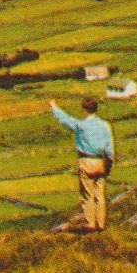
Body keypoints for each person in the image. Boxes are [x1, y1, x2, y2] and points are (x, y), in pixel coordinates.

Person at [51, 97, 114, 231]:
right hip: (101, 161)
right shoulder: (105, 125)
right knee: (100, 195)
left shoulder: (82, 125)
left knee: (87, 194)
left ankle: (90, 224)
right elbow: (110, 148)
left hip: (86, 161)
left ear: (84, 110)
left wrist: (54, 108)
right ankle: (101, 225)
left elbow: (66, 120)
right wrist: (109, 163)